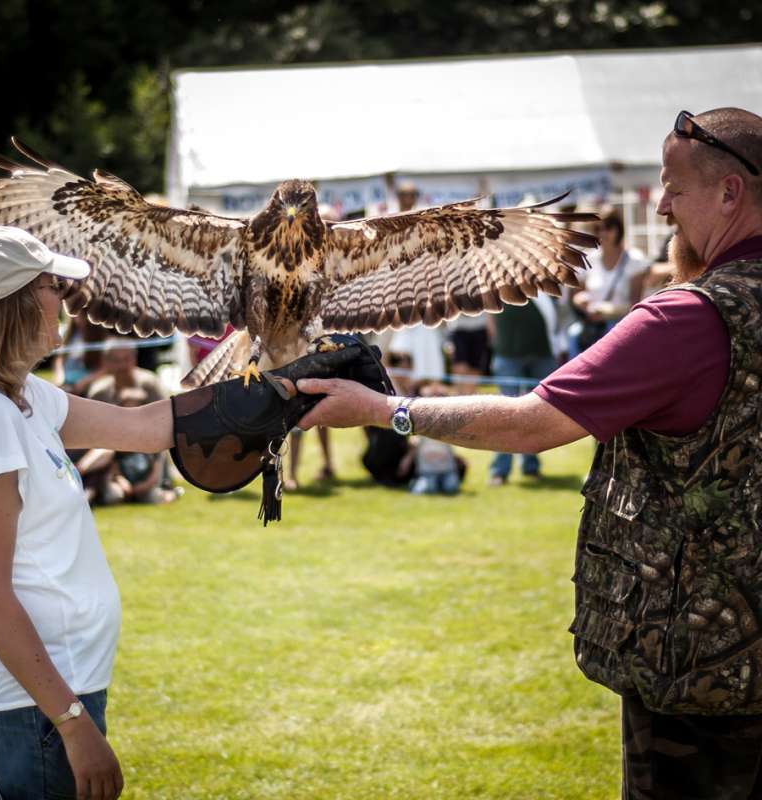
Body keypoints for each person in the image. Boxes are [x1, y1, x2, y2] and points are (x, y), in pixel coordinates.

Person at [296, 107, 762, 798]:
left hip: (701, 671)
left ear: (730, 194)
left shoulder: (687, 318)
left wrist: (382, 410)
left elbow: (531, 422)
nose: (658, 204)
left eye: (673, 185)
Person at [0, 227, 175, 799]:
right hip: (30, 706)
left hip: (45, 695)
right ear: (7, 307)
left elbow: (147, 428)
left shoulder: (22, 395)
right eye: (54, 286)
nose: (67, 300)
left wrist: (273, 392)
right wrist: (73, 725)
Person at [485, 294, 560, 486]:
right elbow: (490, 317)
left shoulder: (543, 281)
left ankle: (531, 466)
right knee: (504, 414)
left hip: (542, 354)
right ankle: (500, 470)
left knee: (536, 413)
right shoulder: (495, 281)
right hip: (507, 355)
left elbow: (556, 317)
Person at [568, 208, 649, 356]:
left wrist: (609, 311)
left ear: (618, 230)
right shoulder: (588, 259)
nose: (603, 233)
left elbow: (635, 303)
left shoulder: (635, 259)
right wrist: (583, 302)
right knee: (573, 335)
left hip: (621, 327)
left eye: (608, 228)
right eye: (598, 229)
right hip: (592, 327)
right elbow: (577, 295)